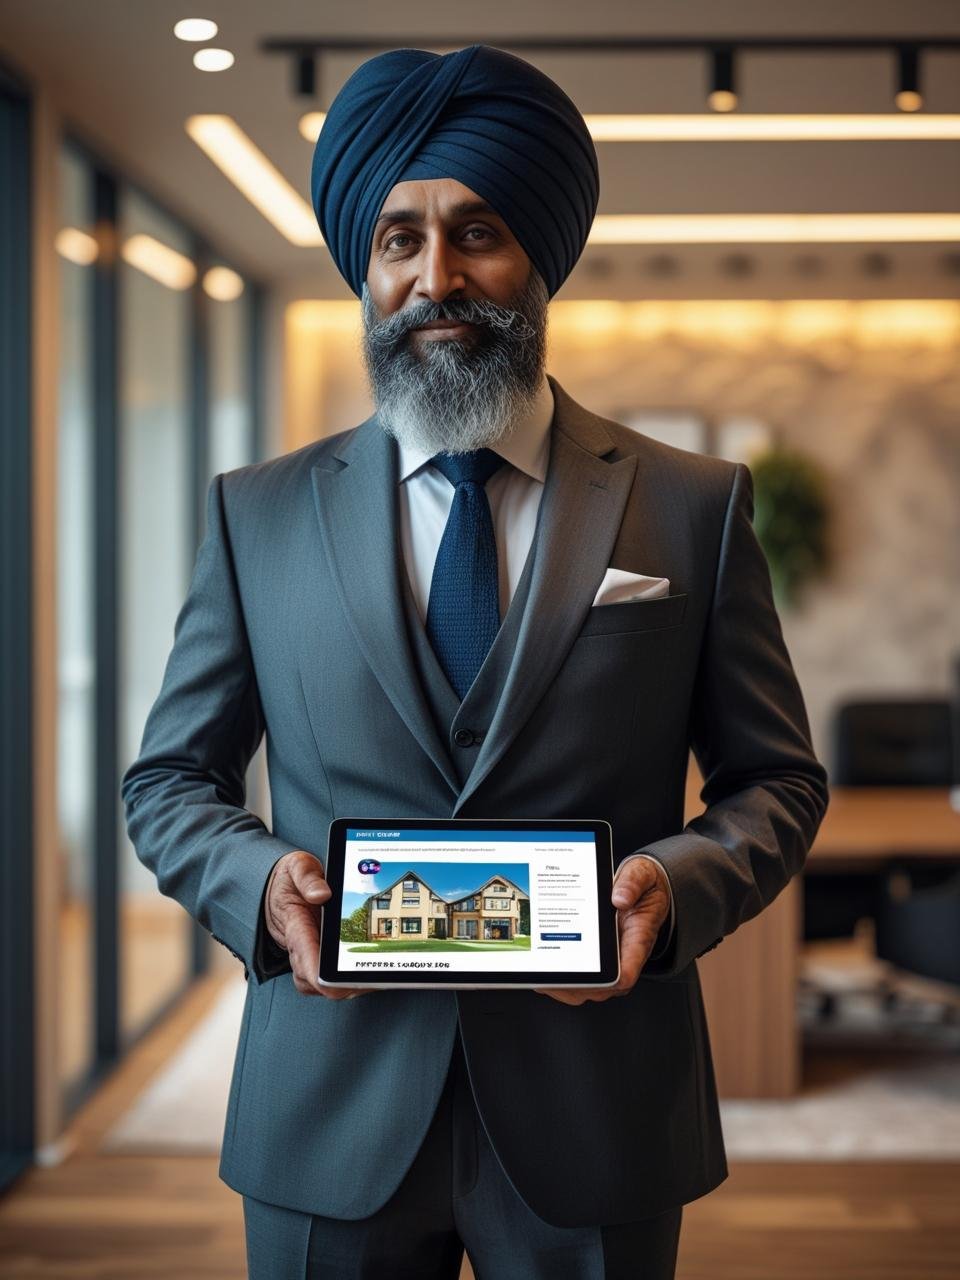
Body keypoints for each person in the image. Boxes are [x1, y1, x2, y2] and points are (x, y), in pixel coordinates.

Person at [121, 43, 829, 1280]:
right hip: (324, 1107)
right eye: (398, 238)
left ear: (540, 256)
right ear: (366, 266)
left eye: (479, 232)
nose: (435, 277)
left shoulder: (692, 504)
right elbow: (168, 780)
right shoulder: (258, 512)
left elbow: (777, 780)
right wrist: (259, 883)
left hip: (596, 1108)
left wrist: (676, 888)